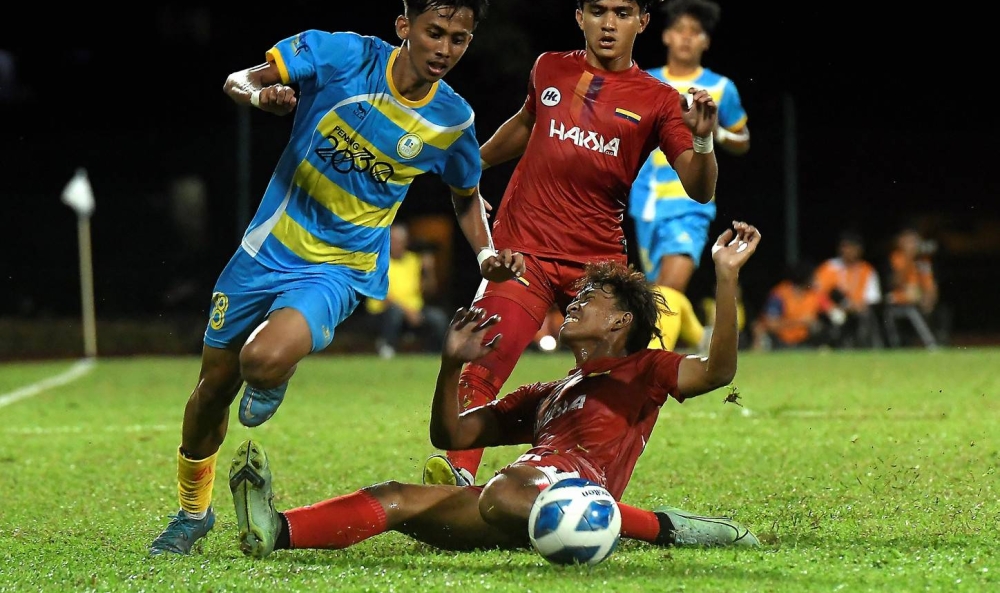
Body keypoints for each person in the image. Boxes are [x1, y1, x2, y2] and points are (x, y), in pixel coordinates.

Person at [149, 0, 527, 556]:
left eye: (459, 39)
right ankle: (193, 512)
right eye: (434, 33)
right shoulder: (339, 55)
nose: (445, 49)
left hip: (340, 267)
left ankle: (278, 367)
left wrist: (485, 253)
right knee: (211, 390)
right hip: (265, 248)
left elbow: (466, 194)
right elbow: (239, 78)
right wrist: (262, 94)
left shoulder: (452, 121)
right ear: (405, 25)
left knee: (262, 361)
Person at [228, 222, 763, 559]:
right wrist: (449, 367)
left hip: (563, 493)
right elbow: (452, 433)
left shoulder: (646, 369)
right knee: (397, 497)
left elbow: (716, 372)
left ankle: (665, 528)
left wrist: (727, 277)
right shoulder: (549, 393)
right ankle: (276, 531)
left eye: (592, 296)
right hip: (512, 499)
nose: (574, 301)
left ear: (622, 319)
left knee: (504, 488)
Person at [421, 0, 720, 488]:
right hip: (522, 250)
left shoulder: (656, 100)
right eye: (599, 11)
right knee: (480, 361)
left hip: (598, 266)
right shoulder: (550, 69)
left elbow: (700, 190)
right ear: (579, 15)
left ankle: (588, 479)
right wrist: (469, 167)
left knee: (618, 379)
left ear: (643, 21)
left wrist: (703, 143)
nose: (609, 24)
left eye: (623, 13)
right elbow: (526, 123)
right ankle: (458, 479)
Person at [627, 0, 750, 353]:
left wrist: (717, 132)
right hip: (644, 205)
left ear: (706, 41)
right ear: (665, 35)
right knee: (657, 295)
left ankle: (645, 375)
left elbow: (743, 139)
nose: (685, 37)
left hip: (690, 200)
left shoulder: (720, 87)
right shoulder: (644, 82)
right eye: (679, 29)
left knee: (668, 288)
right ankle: (704, 339)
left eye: (694, 31)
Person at [365, 223, 450, 358]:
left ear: (406, 242)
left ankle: (436, 354)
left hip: (414, 311)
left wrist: (429, 270)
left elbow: (429, 291)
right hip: (383, 312)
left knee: (438, 317)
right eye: (393, 240)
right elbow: (384, 296)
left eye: (400, 241)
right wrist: (408, 312)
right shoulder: (378, 261)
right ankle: (387, 349)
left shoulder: (414, 261)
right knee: (394, 312)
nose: (396, 244)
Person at [813, 230, 882, 348]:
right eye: (844, 247)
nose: (846, 251)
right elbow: (816, 293)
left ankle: (863, 348)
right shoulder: (829, 267)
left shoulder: (867, 270)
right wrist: (831, 309)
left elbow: (873, 299)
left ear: (859, 249)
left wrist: (854, 306)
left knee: (865, 316)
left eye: (851, 247)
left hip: (856, 312)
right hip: (831, 311)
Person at [882, 225, 943, 348]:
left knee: (937, 307)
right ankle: (929, 344)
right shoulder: (895, 258)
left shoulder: (923, 260)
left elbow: (929, 284)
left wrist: (930, 297)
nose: (913, 244)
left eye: (915, 241)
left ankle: (935, 342)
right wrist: (909, 258)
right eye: (909, 241)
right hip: (898, 298)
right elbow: (896, 283)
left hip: (918, 297)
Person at [751, 261, 835, 350]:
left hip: (806, 341)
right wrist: (800, 322)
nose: (816, 280)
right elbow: (771, 324)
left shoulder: (815, 294)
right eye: (813, 277)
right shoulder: (780, 295)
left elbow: (833, 312)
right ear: (805, 278)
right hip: (779, 341)